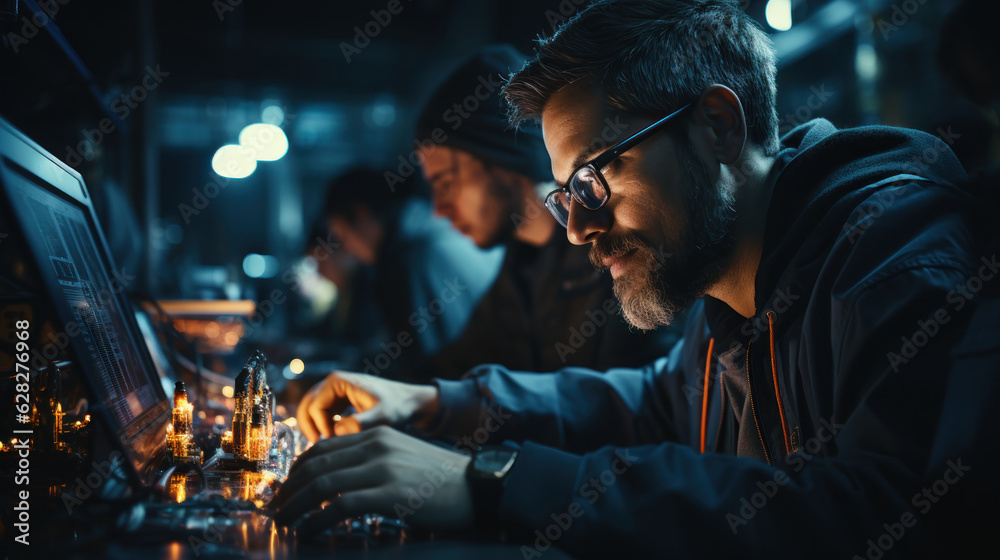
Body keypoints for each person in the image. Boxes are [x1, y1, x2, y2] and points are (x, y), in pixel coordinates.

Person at [274, 1, 1000, 557]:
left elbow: (889, 512)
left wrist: (491, 481)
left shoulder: (894, 253)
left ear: (716, 125)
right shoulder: (731, 290)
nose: (577, 230)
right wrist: (438, 403)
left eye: (593, 178)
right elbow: (653, 404)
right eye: (564, 196)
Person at [411, 44, 680, 374]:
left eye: (445, 183)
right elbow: (459, 364)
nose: (439, 209)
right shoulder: (518, 269)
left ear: (501, 155)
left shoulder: (618, 254)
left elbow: (641, 403)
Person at [315, 166, 504, 381]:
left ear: (362, 214)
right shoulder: (418, 239)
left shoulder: (419, 253)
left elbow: (436, 364)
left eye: (342, 235)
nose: (347, 248)